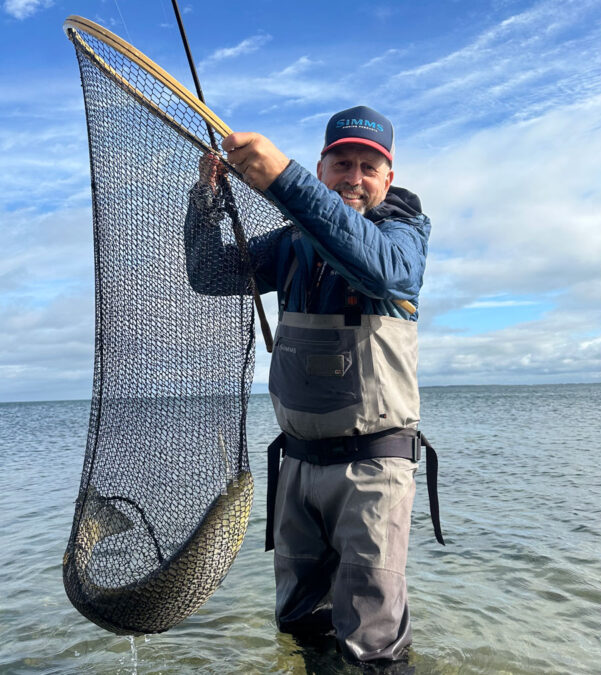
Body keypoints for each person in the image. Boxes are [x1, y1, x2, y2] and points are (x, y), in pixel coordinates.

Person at [185, 105, 438, 664]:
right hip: (297, 467)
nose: (354, 177)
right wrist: (204, 202)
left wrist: (283, 177)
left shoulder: (402, 233)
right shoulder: (292, 243)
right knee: (301, 625)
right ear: (324, 170)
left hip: (372, 470)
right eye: (341, 163)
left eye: (368, 168)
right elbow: (209, 274)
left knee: (373, 645)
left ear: (388, 178)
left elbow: (382, 270)